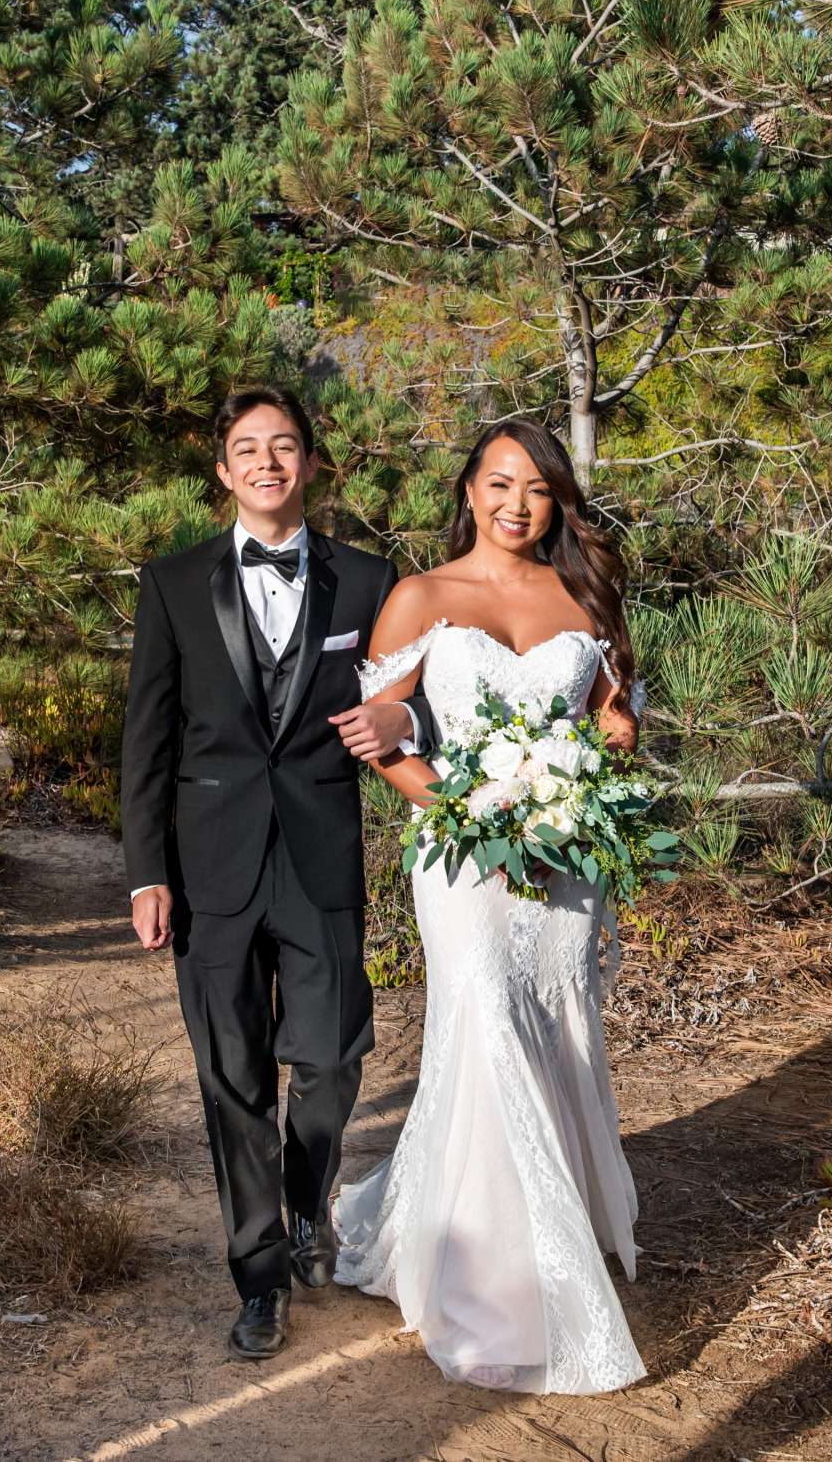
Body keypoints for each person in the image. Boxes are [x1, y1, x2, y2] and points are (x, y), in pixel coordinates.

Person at [118, 387, 440, 1360]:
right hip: (207, 868)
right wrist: (146, 874)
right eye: (246, 449)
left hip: (318, 856)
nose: (266, 462)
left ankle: (309, 1207)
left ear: (310, 463)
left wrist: (406, 726)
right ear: (224, 471)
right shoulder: (173, 583)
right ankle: (259, 1281)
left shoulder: (369, 581)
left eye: (284, 446)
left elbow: (423, 699)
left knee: (335, 1061)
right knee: (233, 1080)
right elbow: (148, 737)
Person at [331, 417, 648, 1395]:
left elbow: (615, 715)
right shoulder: (421, 596)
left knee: (557, 1028)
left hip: (565, 859)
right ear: (469, 489)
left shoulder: (584, 592)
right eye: (500, 484)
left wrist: (598, 755)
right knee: (485, 1026)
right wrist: (470, 812)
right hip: (464, 858)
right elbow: (380, 741)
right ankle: (502, 1283)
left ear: (557, 501)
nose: (518, 506)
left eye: (539, 490)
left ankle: (543, 1225)